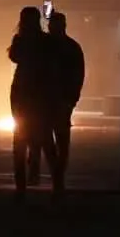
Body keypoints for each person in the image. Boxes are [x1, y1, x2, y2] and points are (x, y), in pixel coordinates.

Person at [6, 7, 52, 199]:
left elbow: (14, 57)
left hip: (21, 89)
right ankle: (39, 172)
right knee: (40, 133)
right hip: (39, 90)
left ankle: (21, 182)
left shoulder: (19, 40)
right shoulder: (45, 41)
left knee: (20, 134)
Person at [38, 11, 85, 196]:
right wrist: (72, 99)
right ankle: (58, 176)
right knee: (61, 140)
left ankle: (56, 174)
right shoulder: (72, 47)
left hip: (47, 100)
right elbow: (78, 75)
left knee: (47, 139)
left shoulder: (44, 47)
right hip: (61, 100)